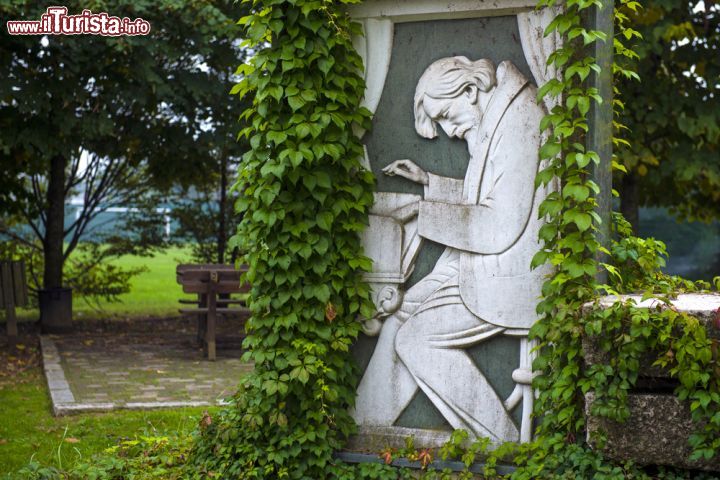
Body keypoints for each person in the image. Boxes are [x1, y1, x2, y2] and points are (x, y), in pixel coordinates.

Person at [353, 56, 551, 442]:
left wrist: (425, 214)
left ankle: (501, 443)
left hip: (507, 274)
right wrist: (430, 182)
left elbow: (498, 226)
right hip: (478, 262)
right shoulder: (496, 115)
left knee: (416, 339)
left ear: (470, 91)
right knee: (398, 313)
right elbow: (486, 195)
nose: (446, 130)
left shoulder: (519, 119)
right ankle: (367, 425)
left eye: (445, 116)